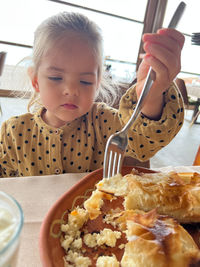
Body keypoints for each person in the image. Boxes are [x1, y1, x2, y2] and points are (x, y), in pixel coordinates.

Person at [0, 12, 185, 177]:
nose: (71, 90)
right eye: (56, 78)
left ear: (97, 84)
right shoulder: (14, 132)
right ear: (35, 81)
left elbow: (144, 142)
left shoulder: (104, 122)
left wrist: (152, 96)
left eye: (86, 81)